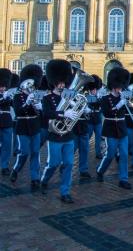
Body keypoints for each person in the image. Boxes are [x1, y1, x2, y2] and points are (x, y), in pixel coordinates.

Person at [40, 59, 77, 203]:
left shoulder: (70, 97)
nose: (62, 85)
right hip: (54, 135)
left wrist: (75, 112)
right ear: (54, 82)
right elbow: (46, 113)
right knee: (53, 164)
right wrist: (63, 114)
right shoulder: (48, 98)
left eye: (64, 82)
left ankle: (65, 192)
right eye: (60, 82)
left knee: (68, 164)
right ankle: (45, 179)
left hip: (68, 135)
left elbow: (75, 112)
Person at [96, 67, 131, 190]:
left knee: (124, 154)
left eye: (122, 86)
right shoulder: (105, 99)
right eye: (118, 86)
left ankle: (123, 179)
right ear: (113, 85)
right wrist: (118, 105)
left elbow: (132, 108)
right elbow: (106, 113)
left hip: (122, 127)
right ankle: (100, 171)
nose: (120, 88)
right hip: (110, 128)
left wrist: (127, 103)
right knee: (110, 154)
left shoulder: (124, 98)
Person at [11, 64, 43, 191]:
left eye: (32, 85)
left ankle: (35, 178)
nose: (31, 87)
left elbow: (40, 114)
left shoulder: (35, 96)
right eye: (29, 85)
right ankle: (16, 169)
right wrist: (27, 103)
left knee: (35, 152)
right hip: (23, 127)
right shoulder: (17, 96)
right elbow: (18, 112)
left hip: (35, 126)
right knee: (24, 153)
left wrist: (40, 108)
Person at [85, 75, 103, 159]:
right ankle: (84, 151)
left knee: (98, 137)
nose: (95, 91)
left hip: (98, 119)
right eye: (93, 89)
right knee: (88, 136)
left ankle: (98, 153)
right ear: (90, 89)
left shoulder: (99, 97)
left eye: (96, 89)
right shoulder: (86, 97)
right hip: (89, 120)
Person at [0, 69, 13, 176]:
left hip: (7, 122)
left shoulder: (8, 95)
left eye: (4, 86)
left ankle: (4, 165)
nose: (2, 88)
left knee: (7, 145)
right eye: (1, 86)